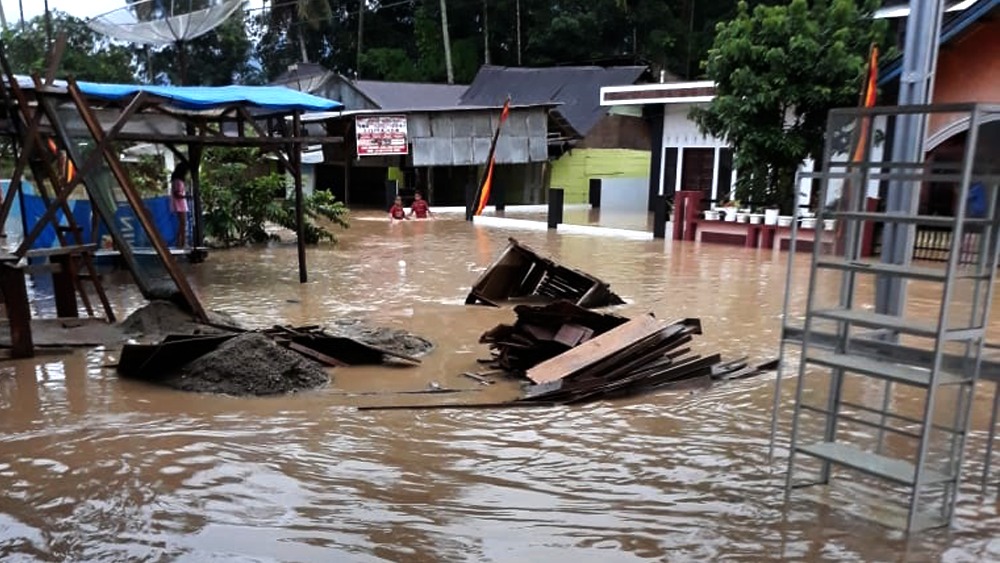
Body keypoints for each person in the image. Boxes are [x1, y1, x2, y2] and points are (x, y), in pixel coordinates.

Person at [170, 164, 189, 248]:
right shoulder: (178, 181)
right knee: (183, 224)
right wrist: (186, 196)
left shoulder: (176, 180)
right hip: (180, 204)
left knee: (182, 224)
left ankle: (179, 242)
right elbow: (177, 194)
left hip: (180, 204)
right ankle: (182, 243)